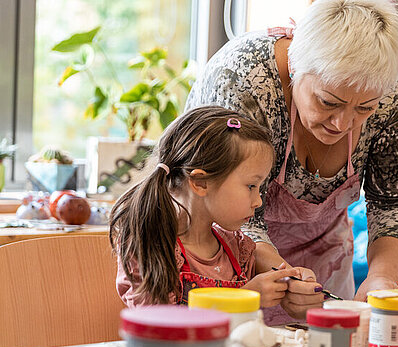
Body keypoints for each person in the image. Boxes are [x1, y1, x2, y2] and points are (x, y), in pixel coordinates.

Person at [185, 0, 398, 324]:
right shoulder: (243, 78)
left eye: (364, 109)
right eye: (328, 102)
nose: (342, 124)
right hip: (229, 250)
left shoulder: (394, 84)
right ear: (295, 65)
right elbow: (225, 208)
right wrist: (284, 276)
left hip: (326, 253)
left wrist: (383, 279)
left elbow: (396, 202)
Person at [110, 106, 310, 307]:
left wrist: (296, 289)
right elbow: (158, 327)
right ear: (200, 183)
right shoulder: (151, 246)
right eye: (251, 186)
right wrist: (244, 298)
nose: (258, 201)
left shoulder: (238, 249)